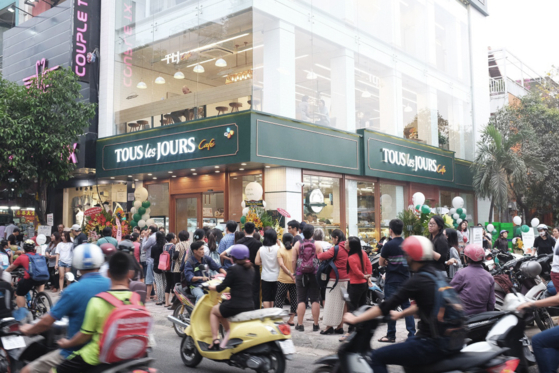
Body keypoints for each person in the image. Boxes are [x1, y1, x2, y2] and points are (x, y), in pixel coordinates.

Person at [343, 235, 461, 373]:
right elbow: (426, 304)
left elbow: (385, 306)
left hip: (430, 343)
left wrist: (355, 318)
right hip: (448, 340)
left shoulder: (418, 280)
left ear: (412, 257)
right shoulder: (436, 275)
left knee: (376, 356)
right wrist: (401, 314)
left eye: (407, 255)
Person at [19, 244, 109, 373]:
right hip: (105, 350)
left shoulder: (73, 290)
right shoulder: (111, 284)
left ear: (76, 263)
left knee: (26, 371)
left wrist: (28, 329)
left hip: (75, 352)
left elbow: (47, 321)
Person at [54, 252, 138, 373]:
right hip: (126, 354)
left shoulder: (98, 301)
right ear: (130, 274)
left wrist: (67, 343)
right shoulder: (136, 300)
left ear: (108, 273)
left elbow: (84, 336)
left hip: (96, 356)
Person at [208, 245, 254, 350]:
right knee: (223, 311)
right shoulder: (251, 269)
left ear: (233, 258)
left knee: (214, 311)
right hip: (250, 305)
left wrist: (210, 287)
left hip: (236, 305)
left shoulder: (233, 269)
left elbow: (221, 287)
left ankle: (215, 339)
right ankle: (230, 334)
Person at [378, 218, 415, 343]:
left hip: (392, 280)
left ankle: (391, 335)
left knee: (391, 307)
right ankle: (412, 335)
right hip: (405, 279)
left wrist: (388, 261)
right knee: (407, 307)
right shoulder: (407, 244)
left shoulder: (388, 245)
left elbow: (381, 262)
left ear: (390, 230)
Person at [317, 228, 349, 335]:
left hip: (335, 279)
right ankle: (340, 327)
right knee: (342, 303)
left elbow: (322, 256)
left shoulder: (337, 248)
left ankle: (329, 327)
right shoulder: (349, 247)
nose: (332, 241)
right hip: (346, 279)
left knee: (331, 302)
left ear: (336, 238)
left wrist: (319, 252)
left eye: (332, 239)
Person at [292, 224, 322, 332]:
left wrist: (294, 272)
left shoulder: (297, 244)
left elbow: (293, 260)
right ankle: (316, 324)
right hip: (314, 274)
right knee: (315, 299)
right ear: (312, 233)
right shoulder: (317, 245)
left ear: (302, 232)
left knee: (301, 299)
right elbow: (321, 260)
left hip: (301, 274)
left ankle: (300, 324)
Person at [451, 244, 495, 315]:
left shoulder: (461, 274)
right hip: (483, 316)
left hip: (464, 316)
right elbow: (491, 302)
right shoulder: (489, 276)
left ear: (467, 258)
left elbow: (451, 293)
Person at [343, 236, 372, 341]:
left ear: (351, 246)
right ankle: (361, 329)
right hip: (363, 285)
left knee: (353, 308)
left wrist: (364, 276)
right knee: (362, 307)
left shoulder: (351, 258)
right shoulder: (363, 253)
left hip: (355, 285)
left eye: (346, 243)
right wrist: (368, 276)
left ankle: (351, 331)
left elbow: (355, 271)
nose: (345, 244)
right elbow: (369, 265)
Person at [5, 240, 46, 310]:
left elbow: (11, 268)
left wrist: (3, 272)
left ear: (24, 248)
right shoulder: (40, 255)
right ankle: (40, 295)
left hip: (30, 279)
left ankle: (22, 312)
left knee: (20, 293)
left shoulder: (22, 257)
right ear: (34, 248)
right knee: (40, 282)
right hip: (44, 277)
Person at [236, 222, 263, 309]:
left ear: (244, 231)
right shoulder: (258, 243)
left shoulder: (239, 242)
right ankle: (255, 311)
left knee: (241, 290)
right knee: (255, 292)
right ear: (254, 231)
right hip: (254, 270)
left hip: (241, 270)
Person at [275, 233, 297, 325]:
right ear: (292, 242)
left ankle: (279, 319)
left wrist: (289, 273)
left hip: (283, 279)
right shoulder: (295, 250)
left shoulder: (280, 250)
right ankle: (291, 319)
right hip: (294, 279)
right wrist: (293, 274)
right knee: (294, 299)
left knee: (279, 299)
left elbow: (281, 264)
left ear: (283, 241)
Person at [255, 229, 279, 308]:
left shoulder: (261, 249)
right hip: (276, 276)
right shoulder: (278, 249)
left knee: (266, 298)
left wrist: (263, 263)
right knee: (274, 297)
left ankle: (267, 316)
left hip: (265, 276)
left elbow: (256, 262)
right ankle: (273, 314)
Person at [142, 225, 158, 302]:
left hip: (150, 260)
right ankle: (157, 296)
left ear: (150, 230)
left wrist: (145, 237)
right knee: (157, 280)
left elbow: (144, 247)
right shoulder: (158, 236)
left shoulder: (151, 238)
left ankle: (148, 297)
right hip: (157, 260)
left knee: (149, 280)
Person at [151, 232, 167, 305]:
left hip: (157, 266)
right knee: (164, 282)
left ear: (156, 238)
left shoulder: (154, 247)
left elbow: (152, 256)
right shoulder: (165, 246)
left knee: (159, 283)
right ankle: (164, 298)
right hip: (166, 266)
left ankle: (160, 300)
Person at [163, 233, 177, 307]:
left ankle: (166, 302)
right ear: (172, 239)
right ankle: (173, 302)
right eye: (175, 237)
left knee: (168, 284)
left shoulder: (164, 246)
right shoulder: (173, 246)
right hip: (172, 267)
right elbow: (174, 257)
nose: (176, 239)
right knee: (173, 284)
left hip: (165, 267)